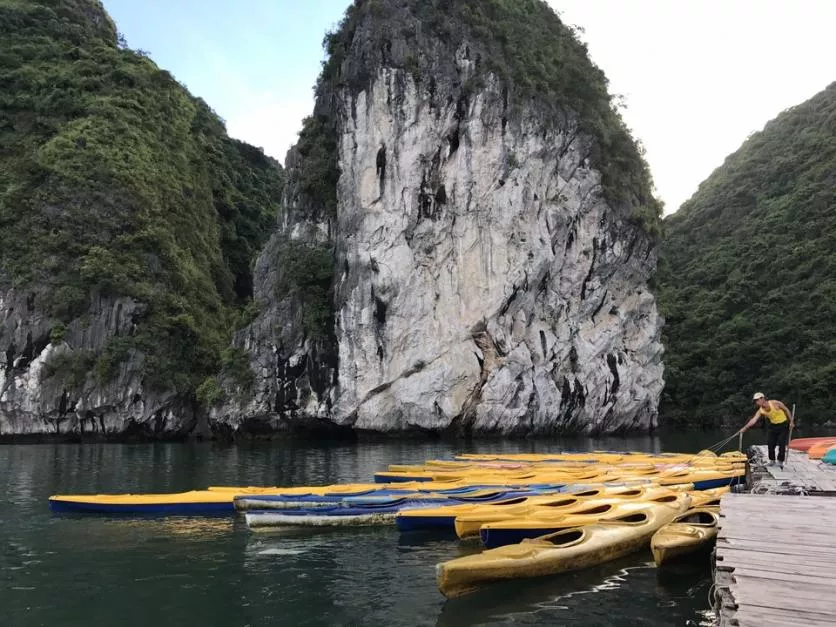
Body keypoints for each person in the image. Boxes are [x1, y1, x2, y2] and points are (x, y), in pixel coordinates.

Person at [740, 392, 794, 468]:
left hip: (783, 425)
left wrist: (791, 421)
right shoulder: (760, 410)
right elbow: (753, 420)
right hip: (773, 426)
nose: (756, 402)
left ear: (762, 398)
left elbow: (786, 410)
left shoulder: (775, 403)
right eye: (755, 401)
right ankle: (772, 461)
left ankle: (780, 461)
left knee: (781, 443)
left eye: (757, 400)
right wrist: (745, 428)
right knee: (770, 443)